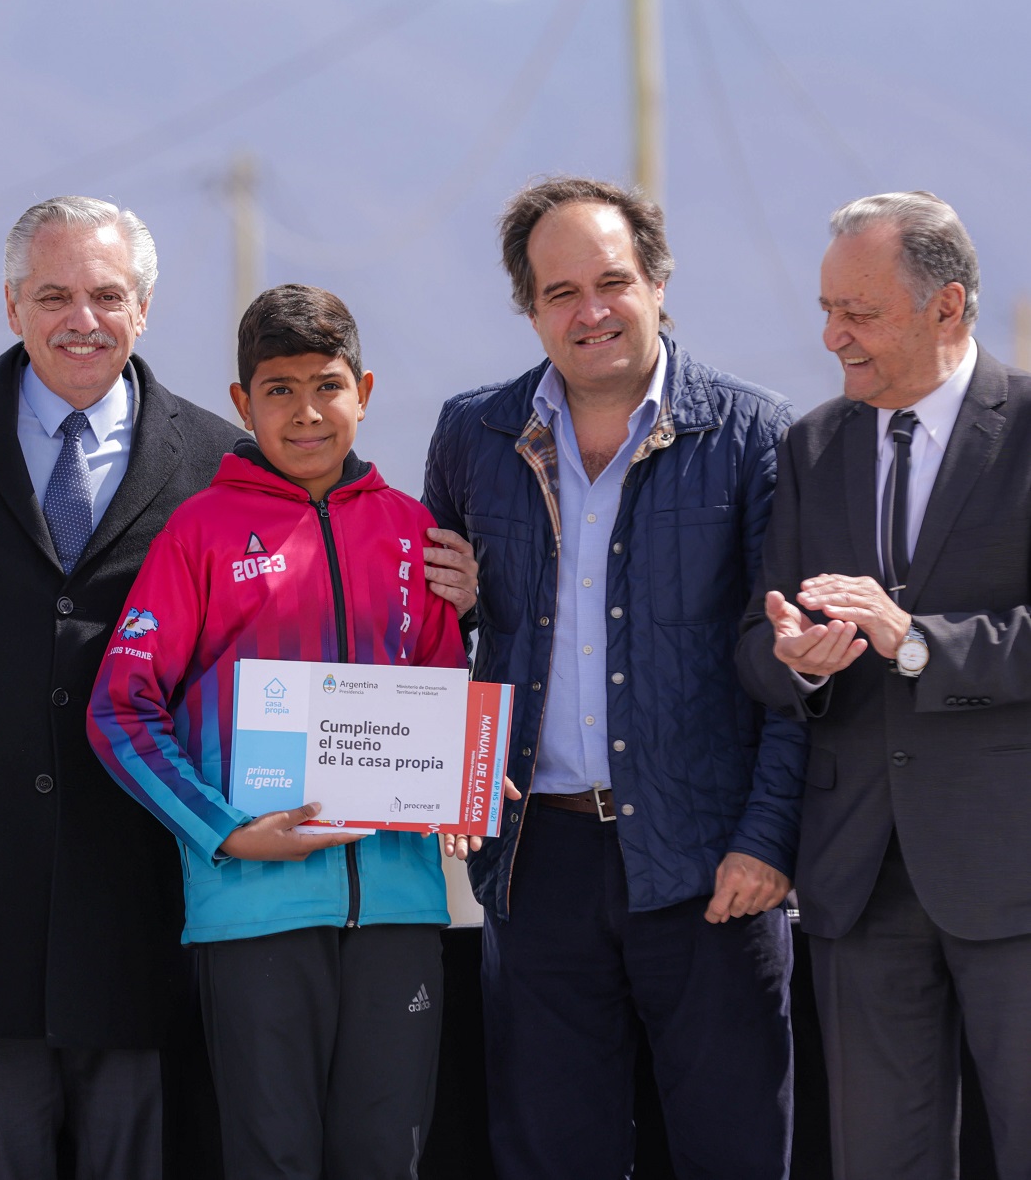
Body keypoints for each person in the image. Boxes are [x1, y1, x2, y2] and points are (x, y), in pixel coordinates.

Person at [0, 197, 482, 1179]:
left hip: (218, 902)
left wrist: (466, 739)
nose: (82, 318)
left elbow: (428, 678)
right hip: (32, 896)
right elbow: (113, 697)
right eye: (54, 294)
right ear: (11, 303)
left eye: (105, 295)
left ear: (142, 308)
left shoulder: (280, 488)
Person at [421, 176, 806, 1179]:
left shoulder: (752, 436)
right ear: (528, 308)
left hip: (709, 868)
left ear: (658, 282)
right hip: (534, 864)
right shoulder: (473, 434)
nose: (588, 312)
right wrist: (461, 777)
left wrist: (765, 842)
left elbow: (790, 665)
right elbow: (437, 641)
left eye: (611, 282)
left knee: (733, 1154)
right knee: (551, 1155)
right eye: (559, 293)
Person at [89, 284, 465, 1180]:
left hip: (401, 908)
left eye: (327, 386)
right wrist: (226, 830)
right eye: (280, 390)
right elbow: (120, 707)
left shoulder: (415, 531)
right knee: (274, 1158)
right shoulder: (200, 532)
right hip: (252, 911)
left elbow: (446, 693)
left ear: (364, 391)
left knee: (387, 1158)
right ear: (241, 404)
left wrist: (468, 784)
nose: (307, 412)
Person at [737, 192, 1031, 1178]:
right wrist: (794, 660)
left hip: (1010, 867)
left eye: (855, 314)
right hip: (856, 877)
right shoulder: (809, 447)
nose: (830, 337)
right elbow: (752, 643)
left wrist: (913, 645)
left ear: (944, 306)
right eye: (826, 310)